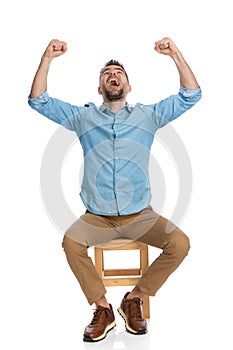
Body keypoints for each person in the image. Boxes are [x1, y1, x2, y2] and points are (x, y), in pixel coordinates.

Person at [28, 37, 202, 342]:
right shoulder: (83, 118)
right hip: (98, 218)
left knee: (180, 244)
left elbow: (191, 95)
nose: (113, 75)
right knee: (71, 242)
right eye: (107, 73)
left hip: (140, 217)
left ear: (128, 86)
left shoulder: (148, 117)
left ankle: (133, 299)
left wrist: (175, 53)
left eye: (118, 73)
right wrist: (46, 58)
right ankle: (103, 308)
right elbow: (38, 100)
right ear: (100, 88)